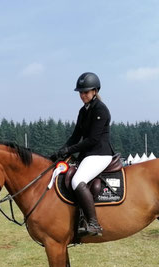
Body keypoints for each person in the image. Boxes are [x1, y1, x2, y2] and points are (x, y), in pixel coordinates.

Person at [51, 72, 114, 236]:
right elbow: (75, 136)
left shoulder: (101, 110)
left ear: (95, 91)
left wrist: (70, 150)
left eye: (86, 92)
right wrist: (60, 152)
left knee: (78, 180)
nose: (83, 95)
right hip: (88, 154)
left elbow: (93, 139)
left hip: (100, 154)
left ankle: (93, 223)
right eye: (81, 92)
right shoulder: (83, 111)